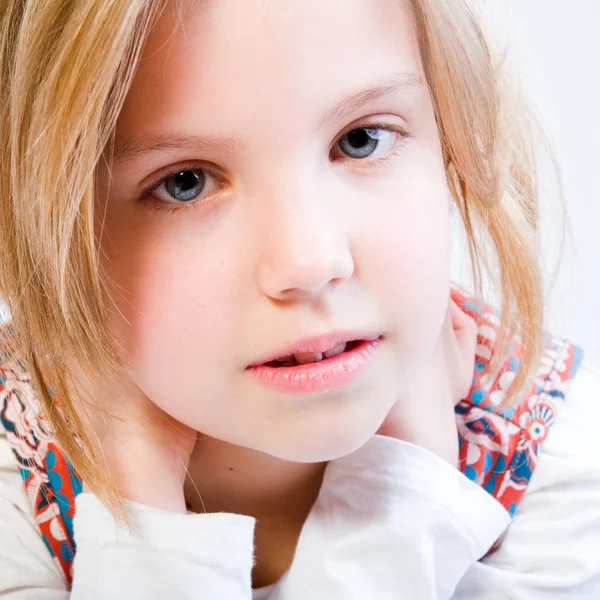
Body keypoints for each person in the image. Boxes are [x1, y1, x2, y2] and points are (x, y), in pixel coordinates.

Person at [0, 0, 598, 598]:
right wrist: (140, 521)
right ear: (46, 226)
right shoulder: (18, 468)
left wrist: (397, 506)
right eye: (186, 183)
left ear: (453, 140)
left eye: (361, 140)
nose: (310, 263)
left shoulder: (563, 470)